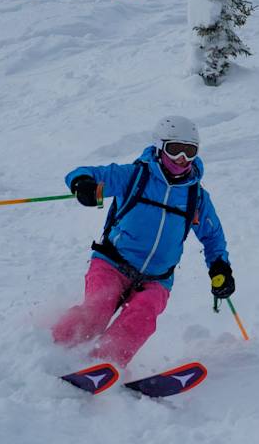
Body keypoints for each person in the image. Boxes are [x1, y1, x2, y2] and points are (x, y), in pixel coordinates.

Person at [52, 116, 235, 367]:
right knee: (97, 309)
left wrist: (220, 267)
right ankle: (52, 347)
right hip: (112, 263)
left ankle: (104, 365)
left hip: (157, 278)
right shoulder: (135, 177)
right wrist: (83, 184)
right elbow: (86, 174)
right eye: (175, 149)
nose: (182, 158)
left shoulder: (196, 197)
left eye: (189, 151)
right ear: (159, 147)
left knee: (143, 318)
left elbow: (213, 236)